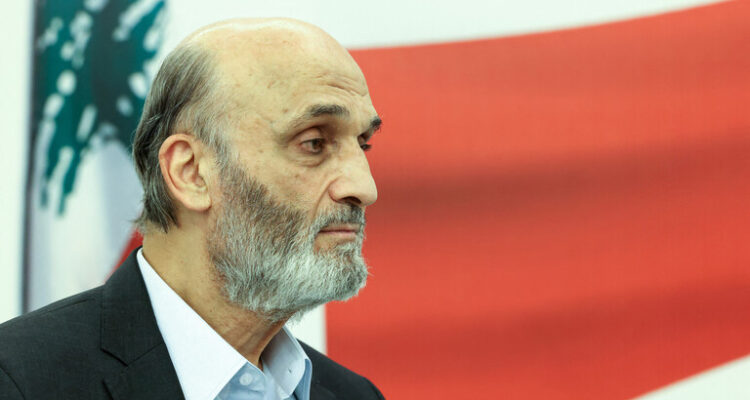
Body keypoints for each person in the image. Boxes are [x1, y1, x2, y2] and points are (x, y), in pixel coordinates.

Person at [0, 18, 384, 400]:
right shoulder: (20, 380)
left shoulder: (355, 394)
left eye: (362, 143)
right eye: (314, 143)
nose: (364, 188)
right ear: (191, 172)